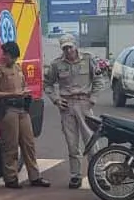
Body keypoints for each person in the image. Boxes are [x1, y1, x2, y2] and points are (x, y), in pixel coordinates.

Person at [44, 33, 107, 189]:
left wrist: (93, 98)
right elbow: (47, 84)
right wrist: (56, 100)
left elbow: (99, 80)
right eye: (65, 48)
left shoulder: (88, 59)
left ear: (75, 46)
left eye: (70, 47)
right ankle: (75, 176)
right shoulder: (56, 64)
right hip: (67, 106)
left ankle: (99, 175)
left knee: (92, 142)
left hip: (85, 103)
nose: (68, 51)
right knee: (72, 144)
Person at [0, 41, 51, 189]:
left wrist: (25, 93)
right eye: (5, 55)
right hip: (7, 109)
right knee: (10, 145)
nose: (5, 57)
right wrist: (12, 94)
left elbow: (23, 86)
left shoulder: (17, 68)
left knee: (29, 144)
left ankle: (35, 177)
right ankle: (11, 178)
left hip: (22, 109)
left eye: (8, 55)